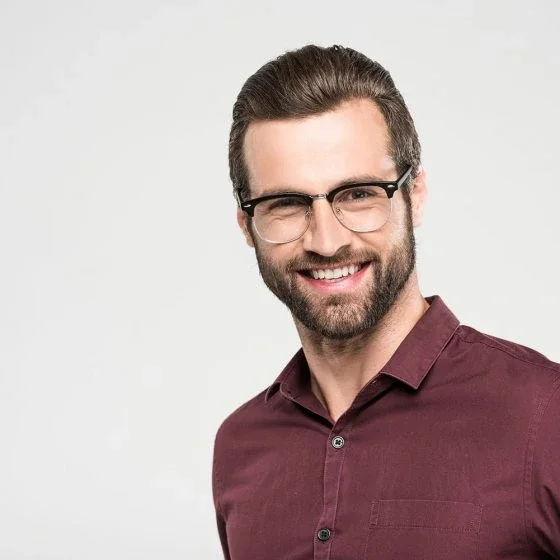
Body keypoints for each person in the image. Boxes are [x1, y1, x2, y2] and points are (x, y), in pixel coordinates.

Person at [212, 44, 560, 559]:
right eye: (285, 203)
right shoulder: (241, 447)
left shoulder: (545, 416)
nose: (326, 241)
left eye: (358, 194)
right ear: (247, 225)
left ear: (414, 195)